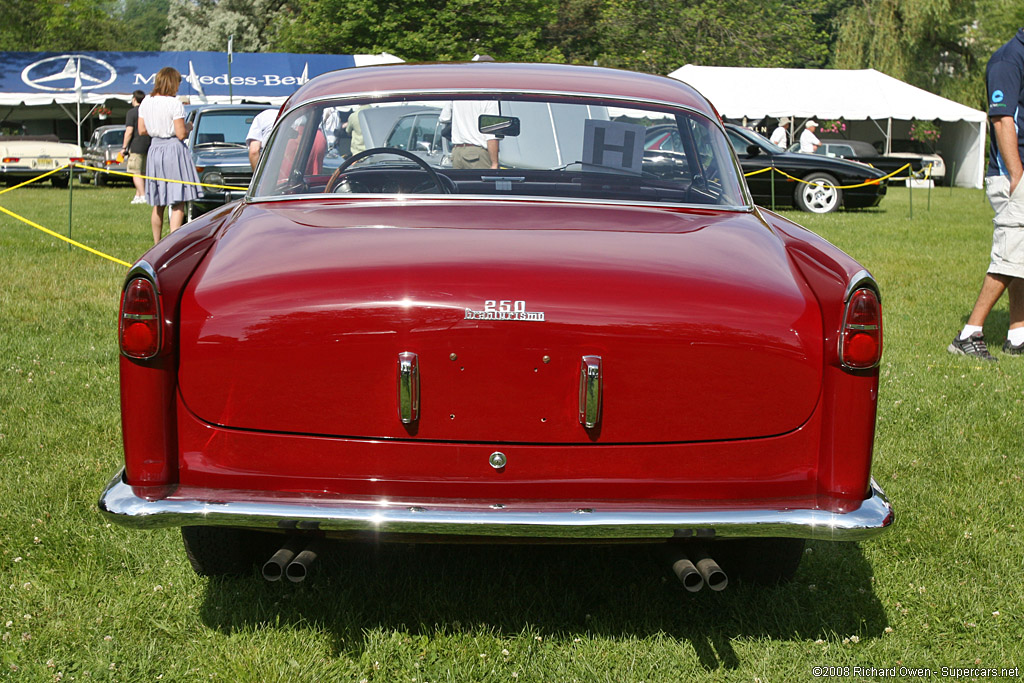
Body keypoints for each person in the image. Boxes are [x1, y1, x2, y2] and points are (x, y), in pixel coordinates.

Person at [948, 28, 1024, 360]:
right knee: (1010, 254)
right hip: (1012, 175)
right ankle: (969, 334)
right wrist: (1017, 174)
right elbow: (1002, 119)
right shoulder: (1009, 59)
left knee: (1020, 256)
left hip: (1017, 173)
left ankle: (1018, 334)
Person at [137, 67, 201, 244]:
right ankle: (173, 241)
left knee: (159, 202)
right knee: (178, 199)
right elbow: (181, 134)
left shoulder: (146, 102)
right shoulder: (174, 104)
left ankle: (157, 243)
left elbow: (142, 129)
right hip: (173, 150)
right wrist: (189, 126)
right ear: (172, 83)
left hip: (155, 149)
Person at [121, 90, 151, 204]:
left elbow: (129, 131)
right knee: (143, 171)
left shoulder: (132, 113)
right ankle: (138, 195)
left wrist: (124, 147)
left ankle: (143, 195)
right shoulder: (148, 111)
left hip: (136, 145)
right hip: (148, 144)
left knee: (135, 172)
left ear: (134, 99)